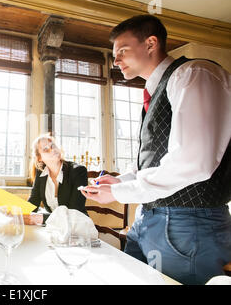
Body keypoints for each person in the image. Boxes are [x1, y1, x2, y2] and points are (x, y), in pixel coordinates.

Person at [82, 14, 230, 285]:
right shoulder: (155, 91)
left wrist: (118, 192)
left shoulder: (194, 75)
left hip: (188, 225)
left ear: (151, 43)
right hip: (149, 220)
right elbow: (156, 161)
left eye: (122, 51)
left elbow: (193, 162)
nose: (115, 61)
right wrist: (122, 180)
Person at [24, 134, 88, 226]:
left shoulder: (78, 171)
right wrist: (17, 213)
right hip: (54, 228)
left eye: (53, 145)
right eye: (46, 149)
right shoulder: (41, 173)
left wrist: (41, 218)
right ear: (40, 158)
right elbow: (33, 203)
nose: (52, 150)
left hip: (77, 228)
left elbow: (74, 213)